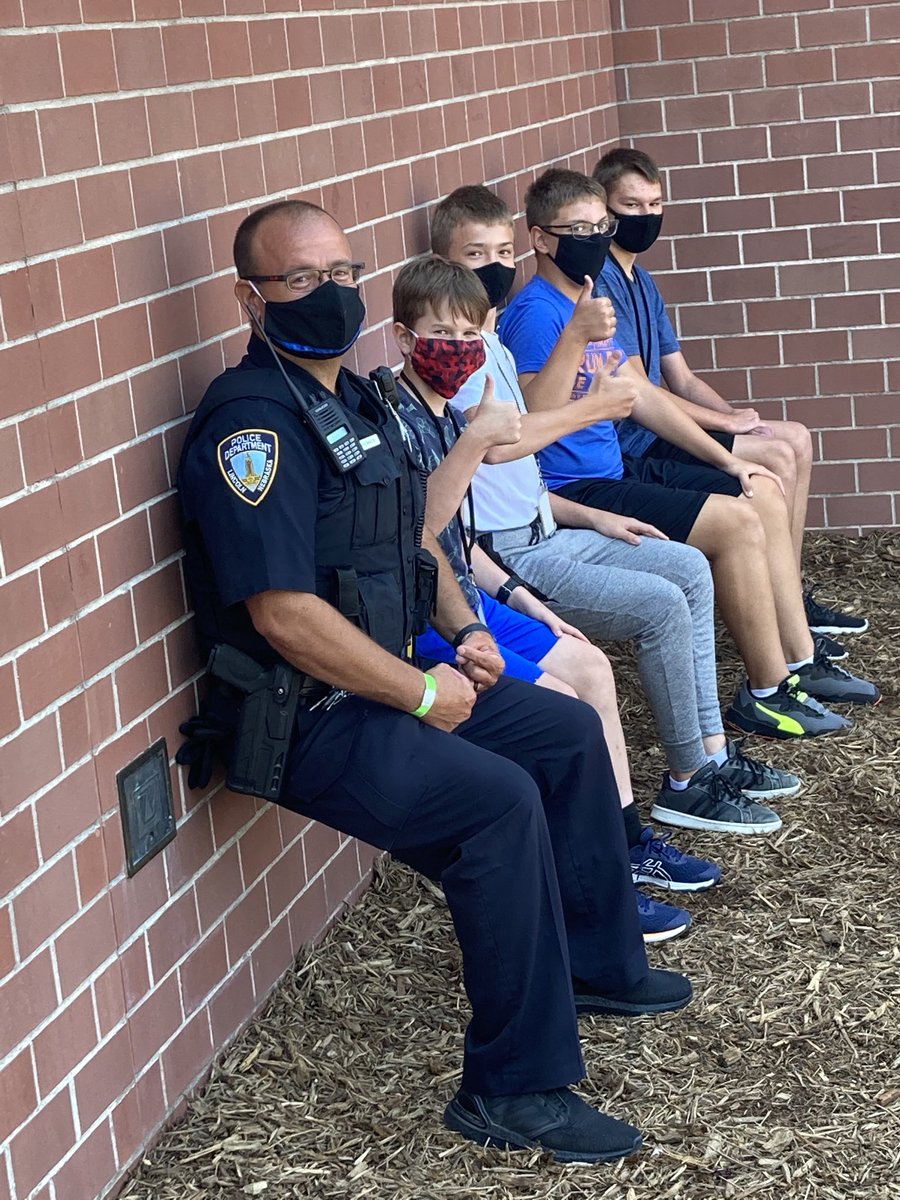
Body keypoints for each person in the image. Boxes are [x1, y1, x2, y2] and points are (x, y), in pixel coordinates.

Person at [176, 198, 693, 1165]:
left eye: (341, 274)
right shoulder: (253, 427)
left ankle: (594, 964)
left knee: (561, 734)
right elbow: (283, 615)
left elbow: (413, 542)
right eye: (300, 282)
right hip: (305, 714)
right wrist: (419, 695)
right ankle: (512, 1088)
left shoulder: (359, 405)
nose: (330, 295)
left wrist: (462, 634)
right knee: (496, 807)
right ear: (250, 298)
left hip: (396, 670)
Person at [429, 185, 803, 836]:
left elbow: (521, 472)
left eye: (499, 251)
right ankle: (688, 779)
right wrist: (588, 398)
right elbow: (504, 443)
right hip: (510, 552)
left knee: (687, 568)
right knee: (662, 602)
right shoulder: (461, 352)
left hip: (552, 522)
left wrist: (590, 516)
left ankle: (708, 758)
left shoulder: (491, 339)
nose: (491, 265)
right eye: (473, 254)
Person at [390, 251, 726, 944]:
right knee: (563, 711)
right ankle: (589, 891)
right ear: (402, 338)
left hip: (479, 599)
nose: (455, 351)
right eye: (439, 336)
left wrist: (525, 599)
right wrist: (484, 439)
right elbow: (422, 529)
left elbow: (463, 543)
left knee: (591, 667)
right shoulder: (396, 419)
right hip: (424, 625)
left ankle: (624, 851)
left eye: (468, 337)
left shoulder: (453, 412)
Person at [497, 169, 880, 736]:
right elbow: (533, 420)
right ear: (540, 239)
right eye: (580, 228)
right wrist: (577, 336)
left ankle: (792, 665)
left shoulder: (590, 296)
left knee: (754, 486)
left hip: (608, 472)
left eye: (602, 226)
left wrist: (729, 457)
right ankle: (769, 692)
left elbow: (641, 397)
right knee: (737, 522)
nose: (597, 237)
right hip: (572, 489)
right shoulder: (538, 313)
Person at [590, 147, 868, 654]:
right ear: (604, 212)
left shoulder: (642, 280)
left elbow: (683, 377)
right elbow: (642, 393)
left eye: (655, 204)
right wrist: (723, 423)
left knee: (794, 438)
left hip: (662, 427)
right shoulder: (602, 282)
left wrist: (738, 422)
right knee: (777, 457)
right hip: (638, 444)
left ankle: (789, 599)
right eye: (632, 206)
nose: (647, 217)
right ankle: (782, 618)